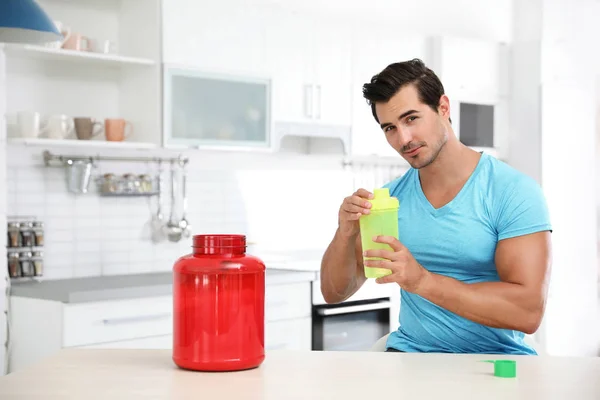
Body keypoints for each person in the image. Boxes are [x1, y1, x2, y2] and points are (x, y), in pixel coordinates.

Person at [319, 58, 552, 355]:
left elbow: (528, 312)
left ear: (443, 108)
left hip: (493, 365)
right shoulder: (390, 200)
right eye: (390, 127)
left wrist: (422, 282)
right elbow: (334, 292)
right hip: (409, 359)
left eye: (411, 118)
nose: (403, 139)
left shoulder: (512, 192)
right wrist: (345, 234)